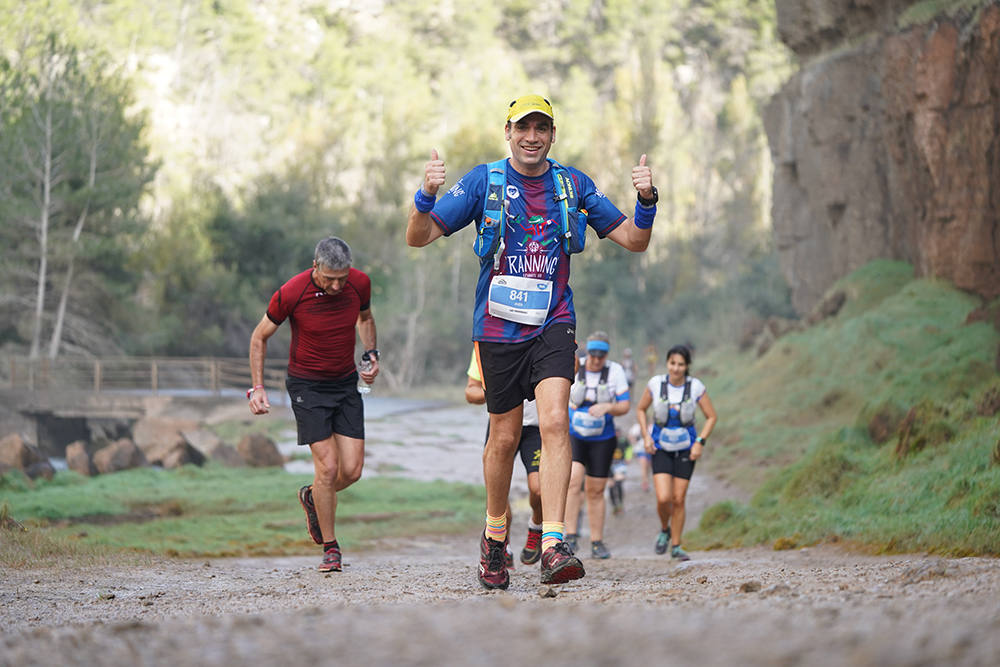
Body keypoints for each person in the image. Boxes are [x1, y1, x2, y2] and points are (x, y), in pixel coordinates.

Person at [406, 93, 657, 589]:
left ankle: (554, 544)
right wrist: (425, 195)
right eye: (524, 127)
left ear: (552, 136)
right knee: (502, 437)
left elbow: (634, 240)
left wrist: (647, 202)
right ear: (508, 132)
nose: (532, 137)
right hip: (498, 328)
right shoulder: (484, 181)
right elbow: (418, 237)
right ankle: (495, 538)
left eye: (541, 128)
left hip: (553, 322)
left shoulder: (573, 184)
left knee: (556, 421)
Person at [248, 237, 380, 573]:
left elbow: (365, 318)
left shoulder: (359, 283)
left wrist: (371, 354)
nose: (337, 285)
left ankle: (312, 496)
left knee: (352, 470)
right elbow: (259, 336)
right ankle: (331, 548)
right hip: (307, 386)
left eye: (342, 277)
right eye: (329, 278)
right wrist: (258, 387)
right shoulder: (292, 292)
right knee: (329, 468)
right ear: (315, 266)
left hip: (345, 383)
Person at [634, 344, 717, 561]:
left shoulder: (696, 387)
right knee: (663, 498)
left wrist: (700, 442)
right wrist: (646, 436)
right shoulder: (655, 384)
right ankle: (665, 529)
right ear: (667, 363)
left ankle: (677, 546)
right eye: (673, 363)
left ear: (687, 366)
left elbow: (711, 416)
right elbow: (641, 409)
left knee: (678, 498)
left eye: (681, 364)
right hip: (660, 447)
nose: (676, 368)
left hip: (686, 449)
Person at [465, 351, 545, 566]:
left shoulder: (542, 336)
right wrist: (495, 389)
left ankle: (536, 527)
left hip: (534, 429)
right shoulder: (491, 341)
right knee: (498, 496)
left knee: (538, 489)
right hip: (501, 425)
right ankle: (501, 545)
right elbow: (470, 392)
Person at [564, 332, 631, 559]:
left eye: (601, 356)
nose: (595, 360)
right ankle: (570, 537)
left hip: (603, 439)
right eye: (592, 355)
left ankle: (596, 541)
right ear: (587, 353)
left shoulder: (615, 372)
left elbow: (625, 406)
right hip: (575, 435)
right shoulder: (576, 367)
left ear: (606, 356)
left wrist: (607, 407)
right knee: (573, 481)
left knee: (596, 490)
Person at [627, 422, 652, 493]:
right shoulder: (636, 427)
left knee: (648, 467)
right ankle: (645, 483)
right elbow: (630, 437)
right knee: (643, 466)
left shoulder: (651, 427)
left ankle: (646, 480)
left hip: (650, 450)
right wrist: (635, 439)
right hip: (640, 450)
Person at [607, 437, 627, 516]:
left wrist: (628, 458)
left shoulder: (621, 442)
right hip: (609, 467)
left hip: (620, 466)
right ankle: (614, 506)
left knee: (618, 485)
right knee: (611, 487)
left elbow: (629, 448)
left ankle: (620, 504)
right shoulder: (606, 444)